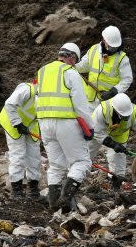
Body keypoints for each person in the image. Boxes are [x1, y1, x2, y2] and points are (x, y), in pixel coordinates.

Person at [36, 43, 94, 212]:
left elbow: (38, 98)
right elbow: (81, 105)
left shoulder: (43, 71)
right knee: (81, 161)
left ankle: (54, 204)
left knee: (55, 164)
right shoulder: (70, 72)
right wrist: (89, 128)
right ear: (73, 58)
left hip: (45, 123)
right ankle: (65, 199)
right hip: (66, 122)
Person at [90, 93, 136, 189]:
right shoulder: (102, 110)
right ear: (115, 110)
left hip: (118, 136)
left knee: (118, 164)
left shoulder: (134, 114)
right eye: (123, 116)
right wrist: (112, 144)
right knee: (85, 156)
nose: (126, 118)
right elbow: (96, 131)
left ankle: (116, 187)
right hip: (98, 132)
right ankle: (74, 177)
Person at [0, 80, 41, 199]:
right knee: (18, 155)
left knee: (34, 156)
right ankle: (16, 191)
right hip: (12, 123)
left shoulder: (50, 97)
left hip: (31, 125)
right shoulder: (27, 90)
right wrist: (18, 123)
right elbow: (9, 104)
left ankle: (33, 190)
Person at [76, 25, 133, 112]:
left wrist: (113, 91)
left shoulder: (122, 59)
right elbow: (84, 65)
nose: (113, 49)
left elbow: (127, 79)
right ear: (104, 40)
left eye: (115, 47)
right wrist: (71, 66)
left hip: (108, 102)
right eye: (111, 46)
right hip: (90, 99)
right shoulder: (94, 49)